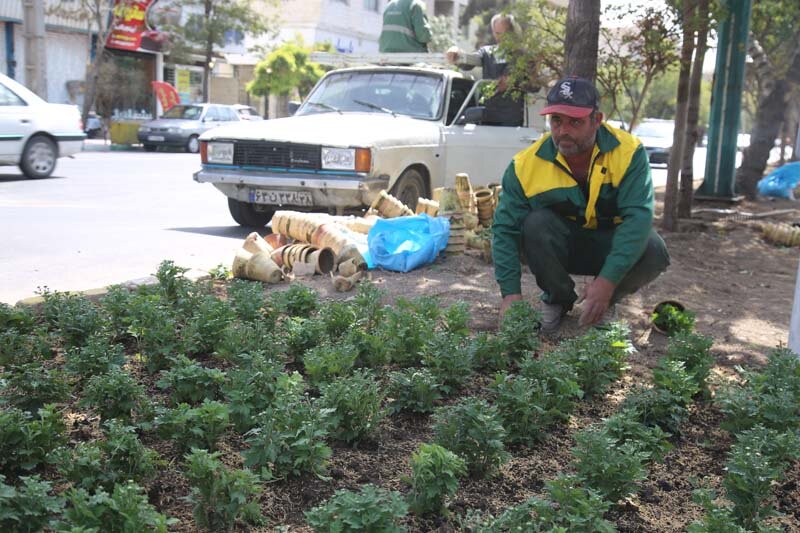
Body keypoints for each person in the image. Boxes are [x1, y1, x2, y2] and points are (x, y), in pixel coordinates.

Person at [492, 76, 670, 334]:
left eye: (575, 121)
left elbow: (639, 219)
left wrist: (607, 283)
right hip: (561, 248)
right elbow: (504, 230)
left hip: (609, 247)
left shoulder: (629, 153)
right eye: (556, 121)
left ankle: (603, 302)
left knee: (654, 249)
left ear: (597, 120)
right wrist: (510, 295)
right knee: (535, 223)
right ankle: (558, 300)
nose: (563, 130)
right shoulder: (524, 165)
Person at [445, 13, 524, 126]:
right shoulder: (487, 52)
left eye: (504, 33)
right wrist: (456, 53)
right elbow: (470, 60)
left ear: (511, 32)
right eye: (497, 33)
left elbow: (533, 85)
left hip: (511, 120)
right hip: (489, 117)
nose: (500, 37)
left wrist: (513, 80)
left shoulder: (521, 55)